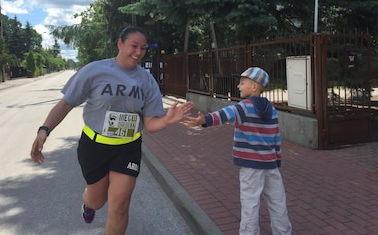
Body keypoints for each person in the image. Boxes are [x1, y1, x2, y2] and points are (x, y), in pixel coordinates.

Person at [30, 26, 194, 235]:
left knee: (119, 206)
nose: (138, 52)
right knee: (97, 201)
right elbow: (66, 104)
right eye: (133, 46)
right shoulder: (94, 70)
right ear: (120, 43)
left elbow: (150, 124)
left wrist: (168, 120)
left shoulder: (146, 80)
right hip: (94, 146)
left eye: (143, 48)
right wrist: (44, 130)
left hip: (128, 147)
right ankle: (88, 202)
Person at [185, 67, 292, 235]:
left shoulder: (244, 107)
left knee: (250, 203)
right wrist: (277, 160)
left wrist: (204, 120)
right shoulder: (271, 110)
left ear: (254, 87)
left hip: (251, 166)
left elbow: (224, 114)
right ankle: (283, 231)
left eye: (242, 83)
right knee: (277, 201)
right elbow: (276, 137)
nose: (238, 86)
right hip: (270, 165)